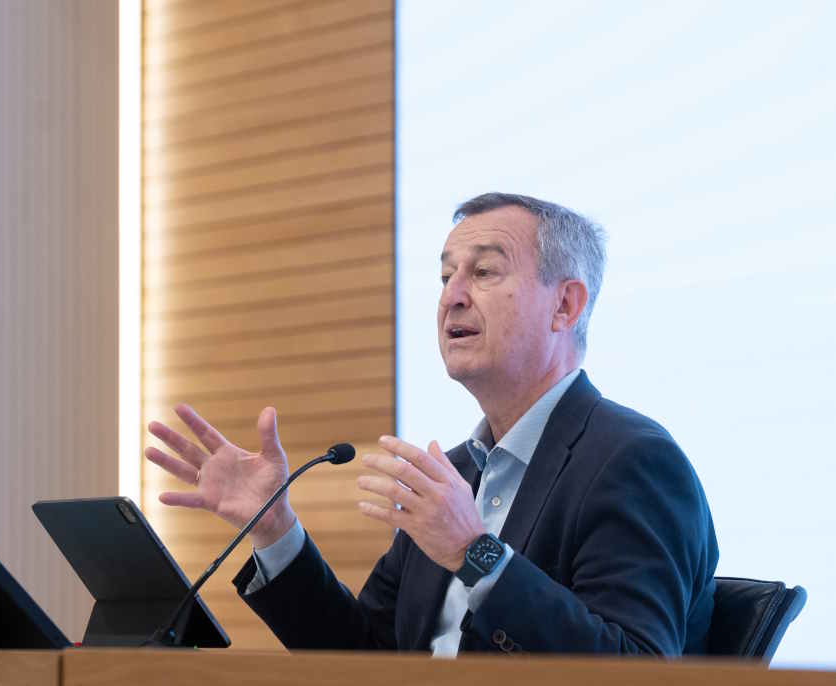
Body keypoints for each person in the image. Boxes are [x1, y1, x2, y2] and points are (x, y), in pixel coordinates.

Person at [145, 192, 718, 655]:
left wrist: (476, 553)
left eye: (484, 272)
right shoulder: (457, 474)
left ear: (565, 307)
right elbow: (363, 662)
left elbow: (638, 677)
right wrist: (275, 531)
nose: (452, 298)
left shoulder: (632, 461)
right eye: (445, 277)